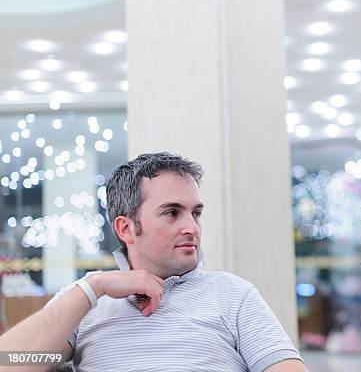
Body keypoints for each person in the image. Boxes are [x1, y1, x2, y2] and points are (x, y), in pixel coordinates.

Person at [0, 152, 306, 372]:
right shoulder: (86, 303)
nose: (192, 227)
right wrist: (95, 287)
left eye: (195, 213)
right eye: (172, 212)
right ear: (126, 228)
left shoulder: (233, 294)